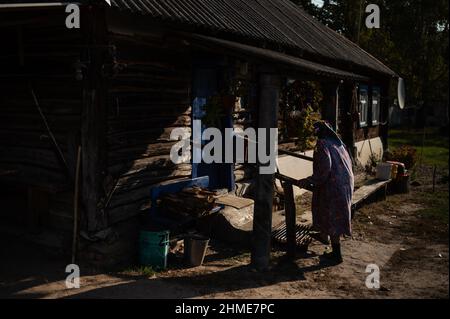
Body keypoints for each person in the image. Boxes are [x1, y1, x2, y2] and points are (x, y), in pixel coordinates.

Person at [297, 121, 354, 264]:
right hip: (345, 183)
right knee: (337, 215)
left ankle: (336, 255)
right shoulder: (338, 143)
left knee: (332, 216)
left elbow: (324, 169)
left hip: (334, 185)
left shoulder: (322, 144)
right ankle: (325, 237)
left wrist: (309, 180)